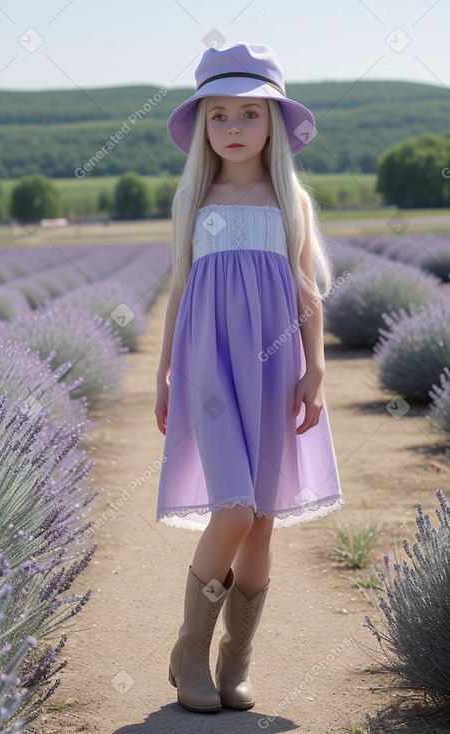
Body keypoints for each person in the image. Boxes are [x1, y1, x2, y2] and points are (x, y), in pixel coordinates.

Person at [154, 41, 343, 714]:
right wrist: (164, 373)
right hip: (207, 366)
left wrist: (314, 368)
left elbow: (305, 291)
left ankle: (236, 660)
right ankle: (188, 651)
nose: (233, 129)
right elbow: (180, 288)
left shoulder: (289, 197)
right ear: (203, 127)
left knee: (260, 519)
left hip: (274, 364)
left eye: (248, 115)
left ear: (274, 124)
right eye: (218, 117)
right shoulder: (195, 199)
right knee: (230, 509)